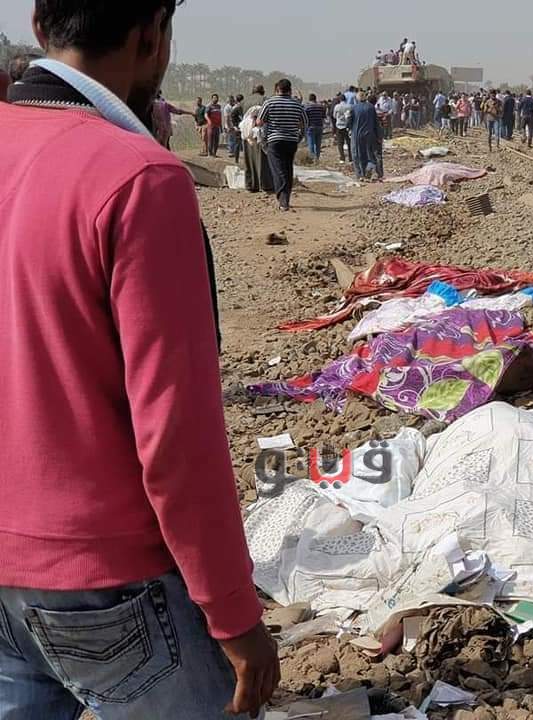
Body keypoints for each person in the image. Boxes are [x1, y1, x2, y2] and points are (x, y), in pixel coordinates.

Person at [0, 1, 281, 717]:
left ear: (40, 27)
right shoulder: (138, 178)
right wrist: (234, 615)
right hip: (101, 580)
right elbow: (176, 435)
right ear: (152, 35)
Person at [257, 78, 308, 211]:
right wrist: (299, 137)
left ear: (277, 89)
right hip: (291, 141)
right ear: (290, 90)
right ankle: (286, 199)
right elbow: (304, 123)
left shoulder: (269, 102)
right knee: (287, 168)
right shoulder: (297, 104)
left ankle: (283, 201)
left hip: (274, 141)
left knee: (278, 170)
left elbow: (259, 122)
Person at [351, 90, 384, 180]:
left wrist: (349, 128)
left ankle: (362, 174)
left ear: (357, 99)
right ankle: (375, 171)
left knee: (359, 155)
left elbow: (349, 123)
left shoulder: (354, 108)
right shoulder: (371, 107)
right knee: (372, 154)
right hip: (370, 135)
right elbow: (376, 123)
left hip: (358, 136)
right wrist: (379, 136)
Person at [333, 92, 353, 164]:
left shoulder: (337, 107)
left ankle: (342, 158)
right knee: (349, 142)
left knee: (340, 143)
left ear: (339, 99)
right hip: (347, 126)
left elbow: (334, 116)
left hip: (339, 126)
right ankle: (350, 158)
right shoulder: (350, 106)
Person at [304, 92, 326, 159]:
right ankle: (317, 158)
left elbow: (305, 118)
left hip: (311, 127)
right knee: (318, 144)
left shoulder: (307, 107)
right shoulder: (321, 107)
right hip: (319, 126)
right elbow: (323, 117)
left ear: (309, 99)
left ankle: (312, 159)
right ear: (315, 99)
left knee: (311, 144)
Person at [205, 92, 223, 157]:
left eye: (217, 98)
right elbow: (206, 115)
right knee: (210, 140)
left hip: (217, 126)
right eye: (214, 98)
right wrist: (209, 121)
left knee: (216, 140)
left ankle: (214, 153)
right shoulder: (209, 106)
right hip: (211, 126)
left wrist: (221, 127)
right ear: (212, 99)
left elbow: (219, 116)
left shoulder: (219, 106)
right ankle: (210, 154)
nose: (216, 99)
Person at [228, 93, 244, 162]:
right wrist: (235, 127)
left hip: (242, 127)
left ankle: (239, 159)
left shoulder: (242, 107)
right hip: (238, 128)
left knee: (241, 143)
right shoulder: (236, 108)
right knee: (238, 143)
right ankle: (236, 159)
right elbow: (232, 118)